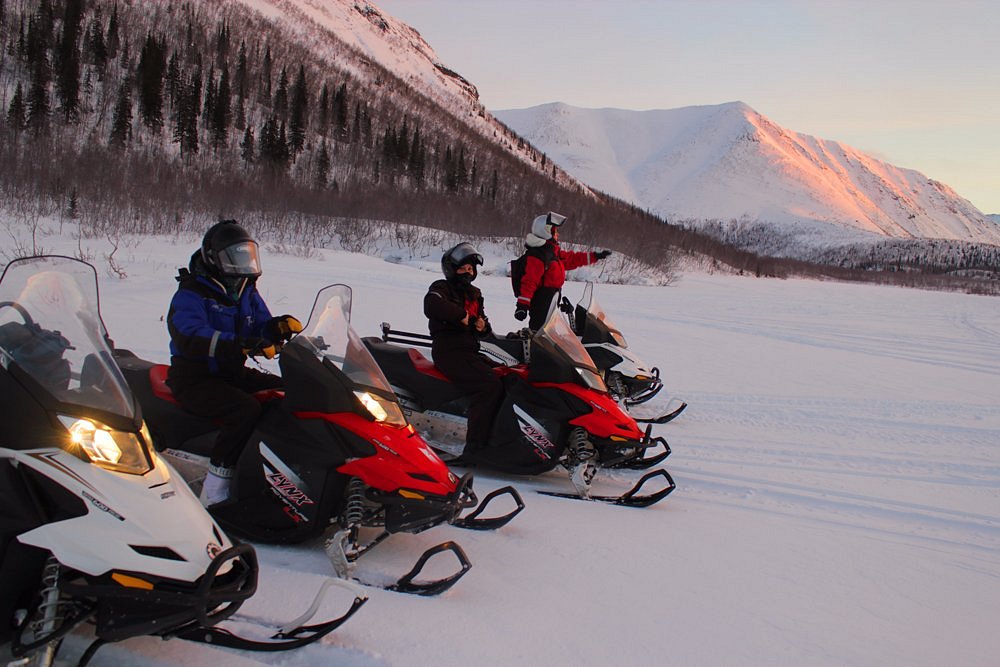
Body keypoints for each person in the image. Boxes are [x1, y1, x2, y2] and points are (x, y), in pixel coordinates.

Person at [166, 220, 301, 506]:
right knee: (245, 409)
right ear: (214, 259)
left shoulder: (245, 290)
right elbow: (188, 334)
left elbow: (260, 324)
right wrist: (237, 343)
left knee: (288, 390)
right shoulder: (192, 293)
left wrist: (277, 328)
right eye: (234, 256)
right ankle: (215, 489)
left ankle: (272, 474)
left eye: (245, 255)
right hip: (194, 377)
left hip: (230, 373)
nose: (241, 263)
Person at [424, 242, 502, 456]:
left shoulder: (475, 295)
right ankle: (475, 447)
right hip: (449, 352)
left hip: (470, 351)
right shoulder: (442, 288)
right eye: (463, 268)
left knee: (507, 376)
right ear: (452, 269)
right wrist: (461, 315)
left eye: (471, 269)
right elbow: (432, 305)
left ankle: (499, 437)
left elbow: (484, 325)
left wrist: (483, 326)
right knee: (489, 385)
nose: (468, 273)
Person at [513, 212, 612, 331]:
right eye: (555, 232)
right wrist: (522, 305)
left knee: (552, 335)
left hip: (552, 301)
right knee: (540, 335)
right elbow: (529, 281)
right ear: (546, 232)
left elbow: (572, 259)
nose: (557, 234)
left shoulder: (552, 252)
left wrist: (595, 256)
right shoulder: (537, 255)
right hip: (541, 303)